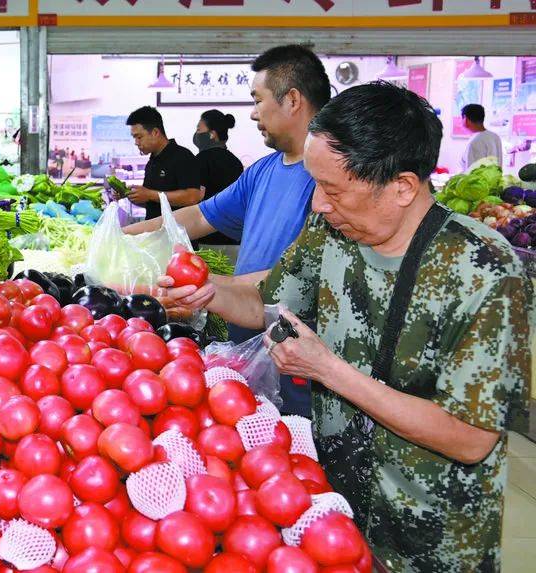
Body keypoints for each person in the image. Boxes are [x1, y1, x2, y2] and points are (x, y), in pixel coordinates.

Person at [165, 81, 532, 572]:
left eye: (333, 189)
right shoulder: (332, 230)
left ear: (402, 186)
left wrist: (328, 370)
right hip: (333, 508)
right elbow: (268, 301)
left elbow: (471, 437)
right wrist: (211, 293)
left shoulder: (486, 270)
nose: (318, 204)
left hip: (430, 535)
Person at [125, 45, 331, 417]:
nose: (252, 113)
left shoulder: (331, 182)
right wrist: (129, 233)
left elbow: (304, 278)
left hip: (297, 365)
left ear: (293, 100)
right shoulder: (263, 171)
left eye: (258, 99)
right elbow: (198, 216)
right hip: (247, 355)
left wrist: (210, 287)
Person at [125, 106, 202, 220]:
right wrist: (132, 196)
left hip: (177, 233)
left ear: (155, 132)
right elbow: (152, 202)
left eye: (139, 137)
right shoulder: (152, 162)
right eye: (134, 138)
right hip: (155, 232)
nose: (136, 143)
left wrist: (149, 194)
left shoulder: (182, 156)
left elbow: (192, 197)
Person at [194, 109, 244, 245]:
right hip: (233, 236)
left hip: (207, 235)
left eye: (198, 129)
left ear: (212, 134)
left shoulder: (200, 160)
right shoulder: (235, 162)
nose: (196, 134)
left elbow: (195, 196)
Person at [461, 103, 503, 170]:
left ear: (466, 119)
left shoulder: (474, 142)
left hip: (479, 180)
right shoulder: (495, 137)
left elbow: (471, 172)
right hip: (496, 179)